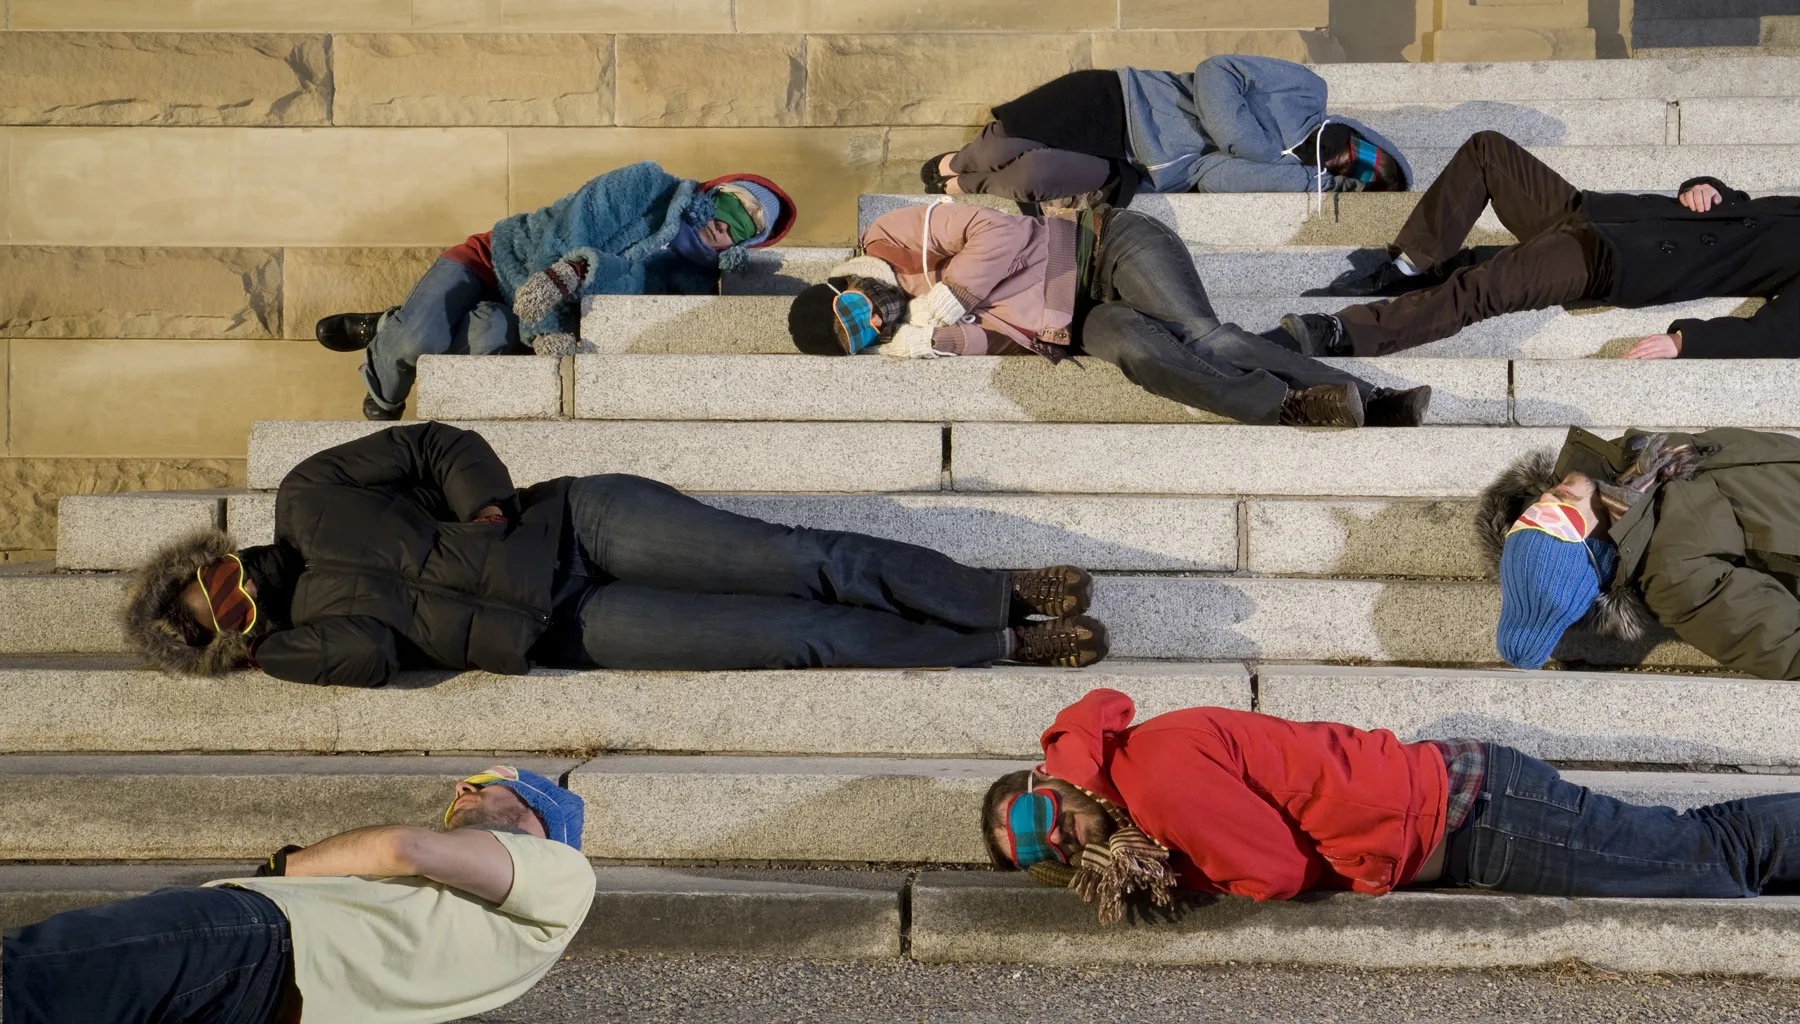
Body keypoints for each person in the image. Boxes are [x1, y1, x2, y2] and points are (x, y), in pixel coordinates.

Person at [121, 422, 1109, 684]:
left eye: (219, 580)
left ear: (213, 554)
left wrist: (490, 512)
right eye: (233, 619)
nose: (244, 593)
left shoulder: (306, 497)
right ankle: (1003, 648)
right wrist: (276, 654)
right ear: (235, 645)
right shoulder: (311, 642)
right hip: (569, 628)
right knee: (793, 636)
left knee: (794, 554)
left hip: (577, 525)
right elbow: (374, 659)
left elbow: (436, 446)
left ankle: (995, 592)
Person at [982, 688, 1800, 926]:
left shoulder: (1151, 781)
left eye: (1035, 817)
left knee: (1711, 857)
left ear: (1043, 778)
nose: (1053, 841)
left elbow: (1272, 871)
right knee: (1703, 850)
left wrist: (1177, 871)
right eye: (1032, 854)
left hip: (1476, 819)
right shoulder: (1133, 773)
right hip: (1465, 807)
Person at [3, 764, 595, 1023]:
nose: (461, 786)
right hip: (273, 999)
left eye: (489, 784)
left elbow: (405, 849)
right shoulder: (514, 940)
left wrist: (283, 867)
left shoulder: (562, 870)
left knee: (28, 979)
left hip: (254, 940)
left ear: (542, 817)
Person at [784, 201, 1433, 428]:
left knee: (1202, 334)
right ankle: (1290, 407)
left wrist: (943, 298)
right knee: (1141, 353)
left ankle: (1374, 402)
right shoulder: (914, 328)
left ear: (844, 283)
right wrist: (934, 342)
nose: (871, 318)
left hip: (1106, 245)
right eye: (861, 336)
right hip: (1077, 320)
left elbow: (1000, 232)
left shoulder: (893, 236)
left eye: (852, 310)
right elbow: (1000, 343)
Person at [314, 162, 797, 420]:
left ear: (748, 243)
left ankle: (391, 323)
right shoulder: (645, 184)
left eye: (746, 227)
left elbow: (622, 304)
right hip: (499, 260)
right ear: (714, 192)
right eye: (733, 205)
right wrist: (544, 320)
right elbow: (562, 238)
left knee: (481, 344)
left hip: (519, 314)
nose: (725, 226)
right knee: (417, 339)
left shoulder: (690, 282)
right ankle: (385, 377)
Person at [1282, 130, 1800, 359]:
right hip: (1600, 213)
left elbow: (1779, 335)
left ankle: (1345, 332)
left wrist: (1688, 343)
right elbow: (1743, 207)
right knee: (1488, 151)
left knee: (1483, 288)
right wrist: (1709, 186)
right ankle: (1412, 263)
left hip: (1615, 260)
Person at [1476, 425, 1800, 680]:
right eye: (1555, 520)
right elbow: (1784, 647)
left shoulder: (1625, 470)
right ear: (1595, 553)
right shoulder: (1677, 580)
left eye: (1528, 516)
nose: (1546, 501)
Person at [919, 56, 1410, 206]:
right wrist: (1255, 146)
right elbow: (1219, 71)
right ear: (1361, 136)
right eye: (1362, 153)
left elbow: (1214, 175)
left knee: (1032, 176)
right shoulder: (1307, 89)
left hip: (1131, 167)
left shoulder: (1291, 171)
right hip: (1121, 98)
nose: (1349, 158)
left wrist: (1306, 181)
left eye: (1359, 172)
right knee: (1006, 140)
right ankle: (957, 163)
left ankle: (968, 184)